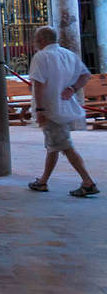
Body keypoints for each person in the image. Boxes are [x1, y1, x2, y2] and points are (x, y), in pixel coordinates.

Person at [27, 26, 98, 197]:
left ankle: (88, 182)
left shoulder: (41, 56)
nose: (34, 43)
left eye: (36, 39)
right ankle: (43, 181)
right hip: (64, 107)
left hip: (50, 109)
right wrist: (72, 89)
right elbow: (85, 75)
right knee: (54, 145)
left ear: (42, 40)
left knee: (65, 146)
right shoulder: (68, 54)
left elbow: (38, 84)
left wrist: (39, 109)